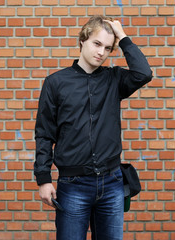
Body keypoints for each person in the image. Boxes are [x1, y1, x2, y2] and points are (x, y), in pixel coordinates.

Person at [34, 15, 153, 240]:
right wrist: (44, 179)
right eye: (97, 44)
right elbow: (44, 133)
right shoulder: (55, 83)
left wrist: (123, 37)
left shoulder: (114, 79)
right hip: (73, 185)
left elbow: (143, 73)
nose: (101, 52)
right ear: (83, 40)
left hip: (112, 183)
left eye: (108, 48)